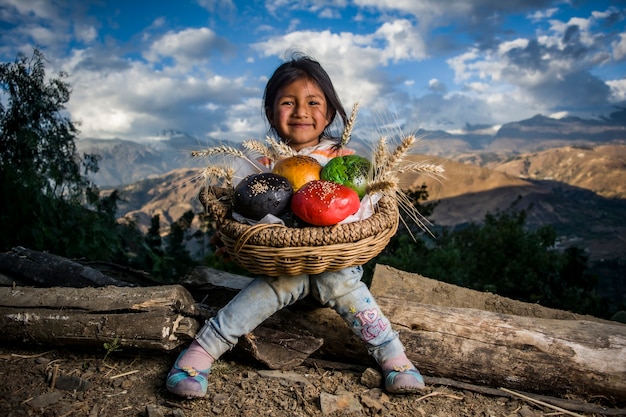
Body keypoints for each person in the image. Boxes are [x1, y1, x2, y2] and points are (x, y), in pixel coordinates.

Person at [166, 52, 426, 398]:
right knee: (283, 280)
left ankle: (393, 356)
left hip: (336, 264)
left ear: (330, 112)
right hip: (283, 266)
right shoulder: (258, 166)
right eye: (288, 102)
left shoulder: (344, 161)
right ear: (271, 112)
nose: (301, 111)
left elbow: (366, 210)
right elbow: (239, 213)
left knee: (338, 280)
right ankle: (201, 353)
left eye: (313, 102)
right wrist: (229, 238)